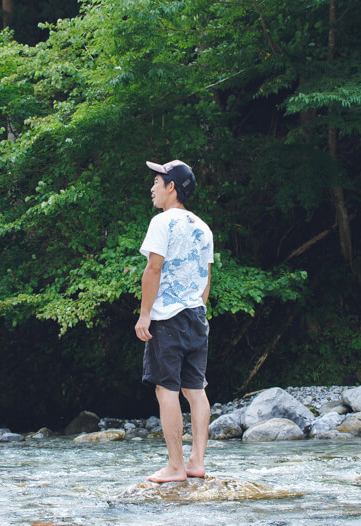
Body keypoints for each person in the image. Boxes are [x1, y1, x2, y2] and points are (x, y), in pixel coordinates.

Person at [135, 159, 214, 483]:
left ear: (172, 187)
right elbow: (206, 278)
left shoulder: (162, 222)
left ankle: (176, 467)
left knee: (165, 389)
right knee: (195, 390)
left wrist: (144, 314)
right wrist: (198, 309)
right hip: (197, 315)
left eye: (157, 181)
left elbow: (153, 269)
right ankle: (197, 462)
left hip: (167, 317)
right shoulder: (203, 227)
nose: (152, 187)